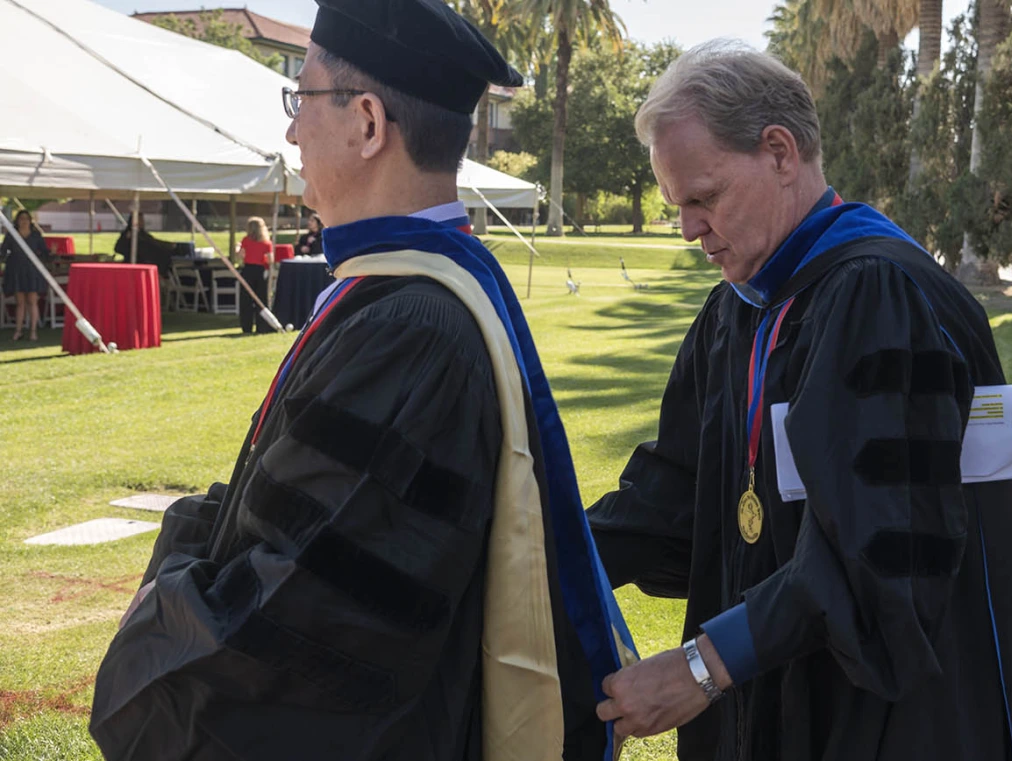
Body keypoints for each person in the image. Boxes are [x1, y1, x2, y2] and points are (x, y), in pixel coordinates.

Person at [89, 1, 636, 759]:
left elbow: (307, 614)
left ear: (369, 124)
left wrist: (165, 602)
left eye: (301, 99)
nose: (290, 131)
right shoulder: (406, 296)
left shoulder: (410, 329)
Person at [588, 41, 1012, 761]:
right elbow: (682, 502)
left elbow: (881, 551)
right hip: (778, 700)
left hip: (887, 720)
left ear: (780, 152)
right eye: (678, 205)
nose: (687, 229)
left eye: (703, 197)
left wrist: (700, 666)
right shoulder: (736, 313)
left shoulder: (880, 296)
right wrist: (554, 555)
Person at [1, 209, 50, 341]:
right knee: (20, 302)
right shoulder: (11, 235)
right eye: (21, 219)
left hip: (32, 271)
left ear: (30, 221)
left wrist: (51, 253)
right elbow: (3, 252)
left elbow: (45, 252)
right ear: (17, 221)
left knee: (32, 301)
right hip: (16, 270)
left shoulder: (35, 235)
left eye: (26, 219)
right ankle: (18, 331)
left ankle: (33, 331)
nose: (24, 221)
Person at [237, 216, 275, 333]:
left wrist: (237, 248)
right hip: (260, 271)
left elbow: (241, 256)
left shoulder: (245, 241)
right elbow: (270, 260)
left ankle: (246, 327)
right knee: (261, 299)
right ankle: (262, 327)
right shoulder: (266, 243)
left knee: (246, 300)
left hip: (248, 270)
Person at [113, 213, 174, 279]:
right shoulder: (127, 234)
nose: (142, 222)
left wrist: (168, 245)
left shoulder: (143, 234)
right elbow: (118, 248)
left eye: (142, 220)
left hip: (148, 259)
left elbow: (153, 242)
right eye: (140, 220)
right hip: (136, 261)